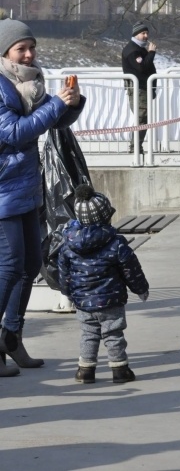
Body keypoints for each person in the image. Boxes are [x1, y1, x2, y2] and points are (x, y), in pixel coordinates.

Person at [0, 19, 85, 377]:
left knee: (31, 264)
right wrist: (54, 108)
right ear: (5, 53)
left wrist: (73, 103)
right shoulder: (2, 88)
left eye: (32, 46)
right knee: (9, 265)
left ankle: (10, 337)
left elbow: (56, 119)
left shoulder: (30, 84)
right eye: (22, 48)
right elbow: (14, 133)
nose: (30, 53)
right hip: (3, 190)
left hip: (26, 189)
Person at [58, 184, 149, 384]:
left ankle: (85, 371)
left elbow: (64, 273)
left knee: (89, 334)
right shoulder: (116, 243)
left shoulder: (68, 245)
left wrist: (67, 293)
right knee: (113, 333)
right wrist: (141, 289)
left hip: (83, 300)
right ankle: (119, 370)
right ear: (106, 217)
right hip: (111, 300)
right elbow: (130, 270)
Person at [121, 20, 157, 153]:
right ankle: (135, 147)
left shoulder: (139, 49)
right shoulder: (132, 50)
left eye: (147, 33)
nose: (146, 36)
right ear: (136, 34)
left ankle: (136, 146)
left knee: (143, 118)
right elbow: (142, 68)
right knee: (142, 118)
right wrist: (151, 53)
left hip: (144, 89)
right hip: (139, 90)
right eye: (143, 33)